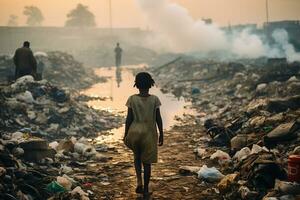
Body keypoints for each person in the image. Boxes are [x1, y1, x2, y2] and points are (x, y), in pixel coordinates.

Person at [124, 72, 164, 198]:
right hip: (148, 134)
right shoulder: (154, 100)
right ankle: (146, 188)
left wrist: (126, 134)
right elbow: (158, 118)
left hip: (134, 132)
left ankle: (139, 182)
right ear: (150, 84)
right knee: (147, 163)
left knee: (136, 157)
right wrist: (161, 133)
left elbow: (128, 119)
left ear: (136, 84)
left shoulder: (132, 99)